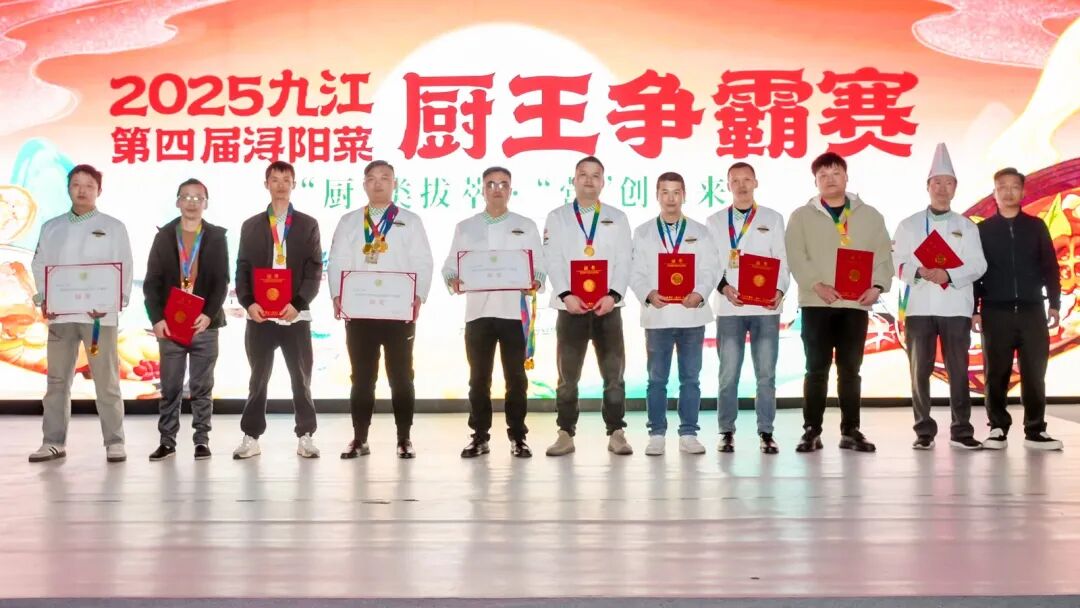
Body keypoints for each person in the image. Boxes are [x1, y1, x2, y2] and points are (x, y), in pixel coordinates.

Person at [785, 152, 893, 453]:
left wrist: (877, 286)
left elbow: (883, 255)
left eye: (835, 173)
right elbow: (795, 255)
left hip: (855, 304)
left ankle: (851, 430)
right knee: (815, 369)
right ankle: (811, 430)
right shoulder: (801, 216)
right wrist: (815, 284)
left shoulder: (870, 215)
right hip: (816, 303)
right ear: (815, 181)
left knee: (850, 370)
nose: (829, 179)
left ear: (846, 177)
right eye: (823, 175)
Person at [328, 160, 433, 459]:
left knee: (401, 377)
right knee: (361, 378)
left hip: (399, 312)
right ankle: (359, 439)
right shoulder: (349, 221)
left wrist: (419, 296)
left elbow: (423, 261)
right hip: (359, 312)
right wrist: (337, 294)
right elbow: (337, 260)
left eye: (385, 178)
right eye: (372, 178)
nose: (378, 183)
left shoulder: (410, 221)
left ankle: (404, 438)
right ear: (364, 184)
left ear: (394, 184)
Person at [29, 164, 134, 463]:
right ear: (68, 189)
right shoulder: (51, 227)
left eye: (89, 185)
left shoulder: (114, 227)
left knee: (106, 381)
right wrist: (45, 298)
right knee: (57, 381)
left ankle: (114, 441)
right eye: (76, 184)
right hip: (61, 316)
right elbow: (39, 264)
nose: (82, 190)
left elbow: (125, 266)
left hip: (99, 316)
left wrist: (114, 301)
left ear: (99, 190)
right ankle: (52, 441)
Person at [442, 166, 545, 458]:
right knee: (478, 380)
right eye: (491, 184)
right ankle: (479, 437)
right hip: (478, 315)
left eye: (503, 184)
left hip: (514, 314)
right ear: (482, 189)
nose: (497, 189)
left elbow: (539, 265)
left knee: (516, 379)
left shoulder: (526, 225)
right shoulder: (466, 227)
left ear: (510, 189)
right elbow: (450, 266)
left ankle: (518, 437)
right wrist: (454, 280)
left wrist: (536, 280)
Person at [892, 143, 986, 450]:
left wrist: (949, 274)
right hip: (919, 306)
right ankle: (923, 430)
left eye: (948, 183)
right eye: (937, 182)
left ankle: (962, 430)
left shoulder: (967, 227)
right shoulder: (908, 225)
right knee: (919, 371)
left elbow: (979, 265)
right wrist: (918, 271)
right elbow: (897, 262)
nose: (942, 188)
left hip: (956, 306)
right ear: (928, 186)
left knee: (958, 370)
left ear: (955, 188)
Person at [542, 156, 633, 457]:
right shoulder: (557, 217)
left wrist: (613, 295)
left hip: (608, 308)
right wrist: (566, 294)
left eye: (595, 175)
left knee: (614, 377)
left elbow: (625, 260)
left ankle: (616, 432)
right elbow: (552, 259)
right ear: (574, 180)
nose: (589, 180)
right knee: (568, 378)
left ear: (603, 182)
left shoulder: (617, 217)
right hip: (571, 309)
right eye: (583, 174)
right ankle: (565, 433)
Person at [232, 161, 323, 459]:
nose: (281, 185)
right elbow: (242, 268)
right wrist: (249, 303)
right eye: (275, 179)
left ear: (294, 185)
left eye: (286, 180)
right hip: (260, 315)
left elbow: (314, 269)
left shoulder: (308, 224)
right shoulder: (251, 225)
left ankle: (306, 435)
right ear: (266, 184)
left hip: (295, 315)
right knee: (257, 380)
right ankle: (251, 436)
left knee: (301, 379)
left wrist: (298, 304)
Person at [973, 167, 1063, 451]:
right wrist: (974, 309)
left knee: (1034, 373)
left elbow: (1050, 266)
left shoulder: (1036, 226)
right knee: (996, 373)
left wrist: (1055, 303)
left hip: (1032, 310)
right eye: (1002, 187)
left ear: (1023, 192)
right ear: (994, 193)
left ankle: (1035, 430)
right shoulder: (982, 230)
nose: (1008, 192)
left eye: (1014, 186)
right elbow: (975, 274)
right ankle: (997, 427)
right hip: (994, 311)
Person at [629, 172, 718, 456]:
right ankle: (656, 433)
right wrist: (648, 294)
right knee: (657, 380)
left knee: (690, 379)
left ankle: (689, 433)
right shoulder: (643, 232)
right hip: (659, 316)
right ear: (657, 195)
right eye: (665, 192)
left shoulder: (700, 231)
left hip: (692, 317)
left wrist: (700, 293)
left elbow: (711, 268)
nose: (671, 198)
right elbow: (635, 271)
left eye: (676, 192)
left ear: (684, 195)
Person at [143, 178, 230, 460]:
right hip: (171, 324)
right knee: (170, 388)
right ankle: (167, 441)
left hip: (205, 325)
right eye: (187, 197)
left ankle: (201, 441)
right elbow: (151, 283)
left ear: (206, 203)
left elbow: (221, 281)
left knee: (202, 388)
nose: (192, 203)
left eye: (198, 198)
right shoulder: (164, 236)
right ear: (177, 201)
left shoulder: (216, 236)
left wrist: (208, 314)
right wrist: (157, 319)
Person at [705, 162, 789, 454]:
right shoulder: (715, 221)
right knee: (728, 374)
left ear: (756, 182)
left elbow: (782, 260)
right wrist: (724, 288)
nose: (741, 185)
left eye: (746, 179)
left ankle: (766, 432)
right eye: (735, 181)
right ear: (728, 185)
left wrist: (779, 290)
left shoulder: (773, 218)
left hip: (765, 310)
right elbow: (710, 264)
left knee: (766, 374)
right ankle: (726, 431)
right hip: (730, 307)